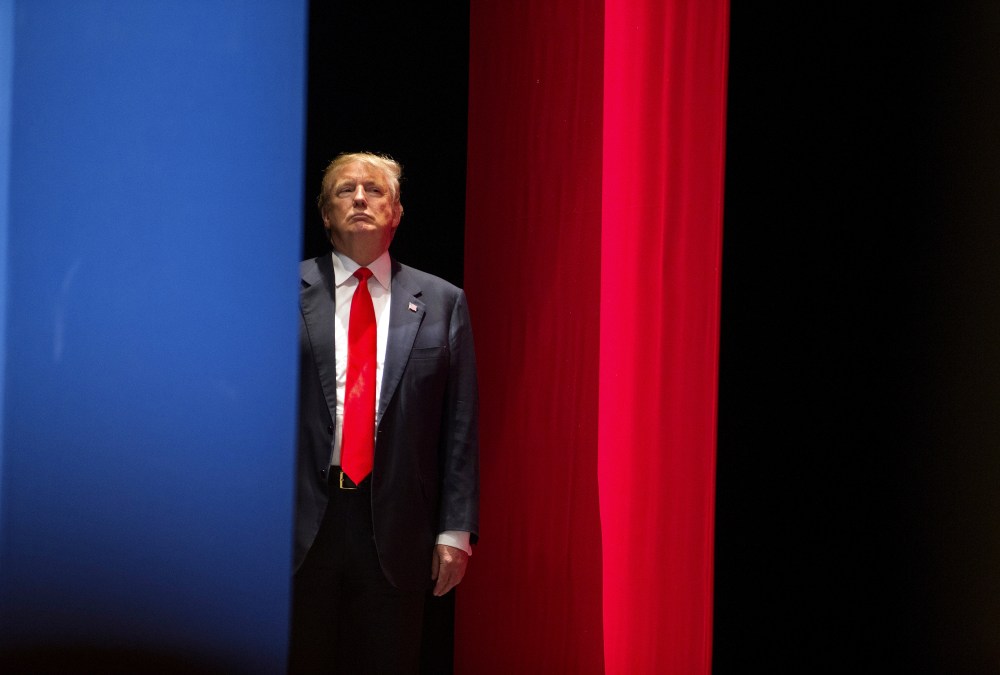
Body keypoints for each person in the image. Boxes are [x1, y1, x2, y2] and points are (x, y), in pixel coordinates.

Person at [289, 152, 479, 673]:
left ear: (396, 211)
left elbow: (459, 426)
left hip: (397, 526)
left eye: (373, 190)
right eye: (343, 191)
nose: (358, 199)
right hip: (300, 522)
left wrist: (455, 531)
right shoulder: (282, 291)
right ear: (325, 215)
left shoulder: (442, 302)